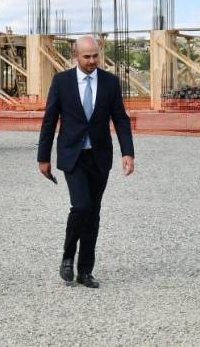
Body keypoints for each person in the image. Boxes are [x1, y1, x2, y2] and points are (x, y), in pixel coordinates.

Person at [37, 35, 134, 288]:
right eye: (87, 56)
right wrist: (43, 157)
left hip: (99, 157)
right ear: (76, 56)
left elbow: (120, 119)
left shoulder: (110, 82)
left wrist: (127, 152)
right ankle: (68, 257)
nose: (92, 61)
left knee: (93, 213)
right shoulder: (62, 82)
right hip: (73, 156)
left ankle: (85, 270)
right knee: (80, 207)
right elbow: (49, 120)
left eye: (95, 56)